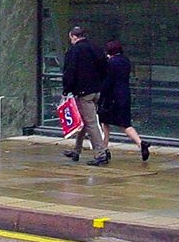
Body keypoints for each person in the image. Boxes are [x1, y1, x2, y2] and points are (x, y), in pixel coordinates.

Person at [60, 25, 110, 166]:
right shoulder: (96, 47)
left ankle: (101, 153)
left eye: (71, 38)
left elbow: (70, 71)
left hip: (83, 92)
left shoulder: (74, 50)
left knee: (91, 123)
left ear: (74, 36)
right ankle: (77, 150)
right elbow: (105, 67)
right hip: (97, 90)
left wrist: (66, 89)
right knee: (82, 120)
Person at [98, 40, 151, 162]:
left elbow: (108, 82)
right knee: (125, 123)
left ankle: (104, 149)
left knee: (104, 122)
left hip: (112, 97)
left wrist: (102, 97)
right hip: (124, 94)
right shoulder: (126, 61)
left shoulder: (111, 63)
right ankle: (140, 143)